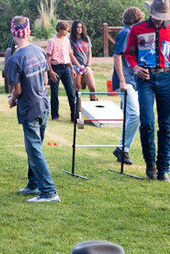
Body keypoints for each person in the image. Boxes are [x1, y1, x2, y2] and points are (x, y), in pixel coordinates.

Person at [124, 0, 170, 183]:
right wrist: (135, 67)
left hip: (165, 78)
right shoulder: (137, 29)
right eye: (158, 14)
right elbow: (129, 53)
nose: (161, 19)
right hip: (145, 79)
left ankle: (164, 170)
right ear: (152, 12)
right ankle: (150, 164)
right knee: (147, 122)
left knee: (166, 126)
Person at [6, 16, 60, 203]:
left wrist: (12, 100)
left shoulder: (14, 60)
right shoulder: (38, 51)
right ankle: (34, 184)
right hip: (44, 106)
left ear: (14, 33)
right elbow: (45, 81)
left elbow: (17, 90)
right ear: (28, 32)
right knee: (34, 148)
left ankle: (49, 192)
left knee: (34, 149)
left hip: (29, 109)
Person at [111, 7, 145, 166]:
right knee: (135, 115)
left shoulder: (133, 32)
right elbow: (117, 57)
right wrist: (122, 81)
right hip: (125, 81)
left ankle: (121, 149)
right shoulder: (125, 33)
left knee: (131, 116)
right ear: (137, 19)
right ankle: (122, 148)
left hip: (133, 80)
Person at [44, 21, 76, 122]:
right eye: (65, 30)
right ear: (60, 30)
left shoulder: (67, 40)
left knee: (71, 92)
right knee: (54, 93)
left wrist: (72, 68)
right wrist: (51, 72)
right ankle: (55, 115)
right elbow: (48, 57)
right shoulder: (52, 41)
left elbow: (68, 55)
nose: (67, 32)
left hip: (66, 67)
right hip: (56, 68)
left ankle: (74, 116)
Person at [69, 20, 99, 102]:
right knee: (77, 88)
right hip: (76, 67)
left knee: (93, 88)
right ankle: (76, 109)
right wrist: (79, 66)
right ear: (74, 28)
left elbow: (89, 53)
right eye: (78, 27)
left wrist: (88, 65)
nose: (79, 29)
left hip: (86, 67)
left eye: (81, 27)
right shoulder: (71, 39)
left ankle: (93, 104)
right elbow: (71, 55)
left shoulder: (86, 38)